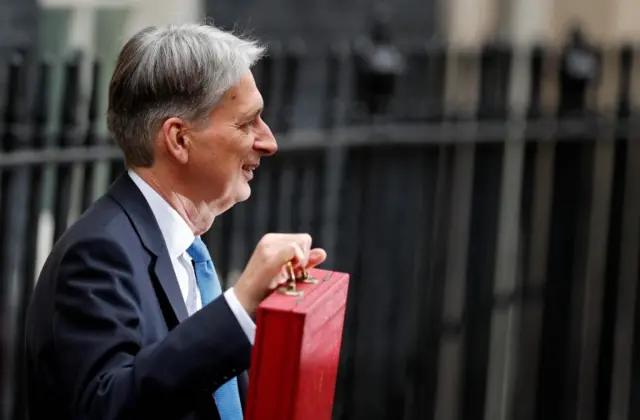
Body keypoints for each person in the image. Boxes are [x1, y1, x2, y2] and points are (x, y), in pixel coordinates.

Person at [24, 23, 326, 420]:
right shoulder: (99, 252)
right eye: (247, 121)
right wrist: (240, 305)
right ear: (179, 139)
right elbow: (105, 407)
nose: (268, 141)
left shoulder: (185, 248)